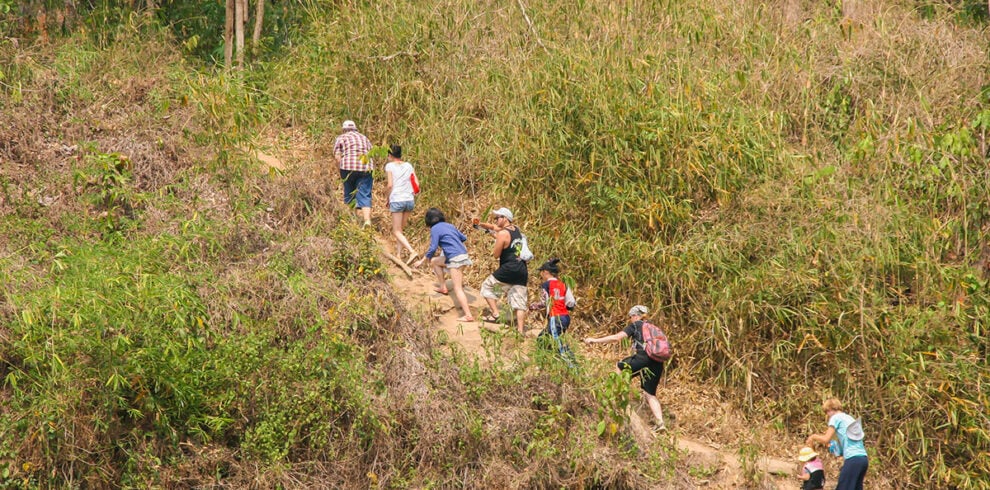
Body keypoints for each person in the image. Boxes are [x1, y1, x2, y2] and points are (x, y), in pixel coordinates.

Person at [583, 305, 667, 432]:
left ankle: (613, 400)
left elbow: (616, 338)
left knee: (620, 366)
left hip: (643, 357)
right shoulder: (654, 328)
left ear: (635, 316)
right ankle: (660, 423)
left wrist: (594, 340)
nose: (630, 320)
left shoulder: (636, 325)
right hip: (657, 362)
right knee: (649, 393)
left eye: (630, 317)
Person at [413, 208, 474, 322]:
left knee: (457, 288)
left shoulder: (435, 229)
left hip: (455, 258)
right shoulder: (449, 225)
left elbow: (433, 247)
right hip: (462, 254)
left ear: (428, 220)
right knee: (435, 262)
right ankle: (443, 287)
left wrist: (421, 261)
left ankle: (468, 315)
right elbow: (463, 238)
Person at [477, 207, 528, 333]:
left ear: (505, 218)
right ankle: (520, 330)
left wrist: (496, 239)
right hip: (521, 269)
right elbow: (495, 228)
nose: (495, 220)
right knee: (519, 300)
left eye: (497, 217)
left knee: (487, 287)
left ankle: (496, 314)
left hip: (508, 269)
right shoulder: (516, 229)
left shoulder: (502, 234)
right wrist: (481, 225)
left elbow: (496, 254)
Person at [805, 398, 868, 490]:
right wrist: (833, 446)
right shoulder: (849, 418)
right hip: (863, 459)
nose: (827, 415)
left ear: (830, 409)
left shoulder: (835, 418)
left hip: (852, 459)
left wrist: (813, 437)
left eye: (827, 412)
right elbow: (843, 448)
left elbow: (826, 439)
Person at [332, 119, 373, 226]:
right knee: (365, 194)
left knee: (349, 193)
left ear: (343, 129)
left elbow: (337, 157)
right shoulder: (364, 138)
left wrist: (339, 171)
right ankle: (367, 221)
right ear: (355, 129)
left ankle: (351, 221)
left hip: (348, 166)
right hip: (366, 167)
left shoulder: (341, 138)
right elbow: (371, 153)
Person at [531, 258, 575, 356]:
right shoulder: (563, 284)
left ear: (546, 272)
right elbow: (571, 302)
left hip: (555, 318)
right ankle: (546, 361)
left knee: (556, 342)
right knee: (542, 338)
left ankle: (572, 364)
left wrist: (533, 306)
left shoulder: (546, 285)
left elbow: (543, 302)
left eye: (541, 272)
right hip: (565, 318)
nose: (540, 275)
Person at [383, 144, 417, 262]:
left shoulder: (389, 166)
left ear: (390, 155)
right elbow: (417, 184)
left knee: (396, 231)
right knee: (400, 230)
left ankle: (412, 251)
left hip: (397, 199)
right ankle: (398, 254)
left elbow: (390, 185)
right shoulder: (409, 165)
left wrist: (387, 198)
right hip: (409, 199)